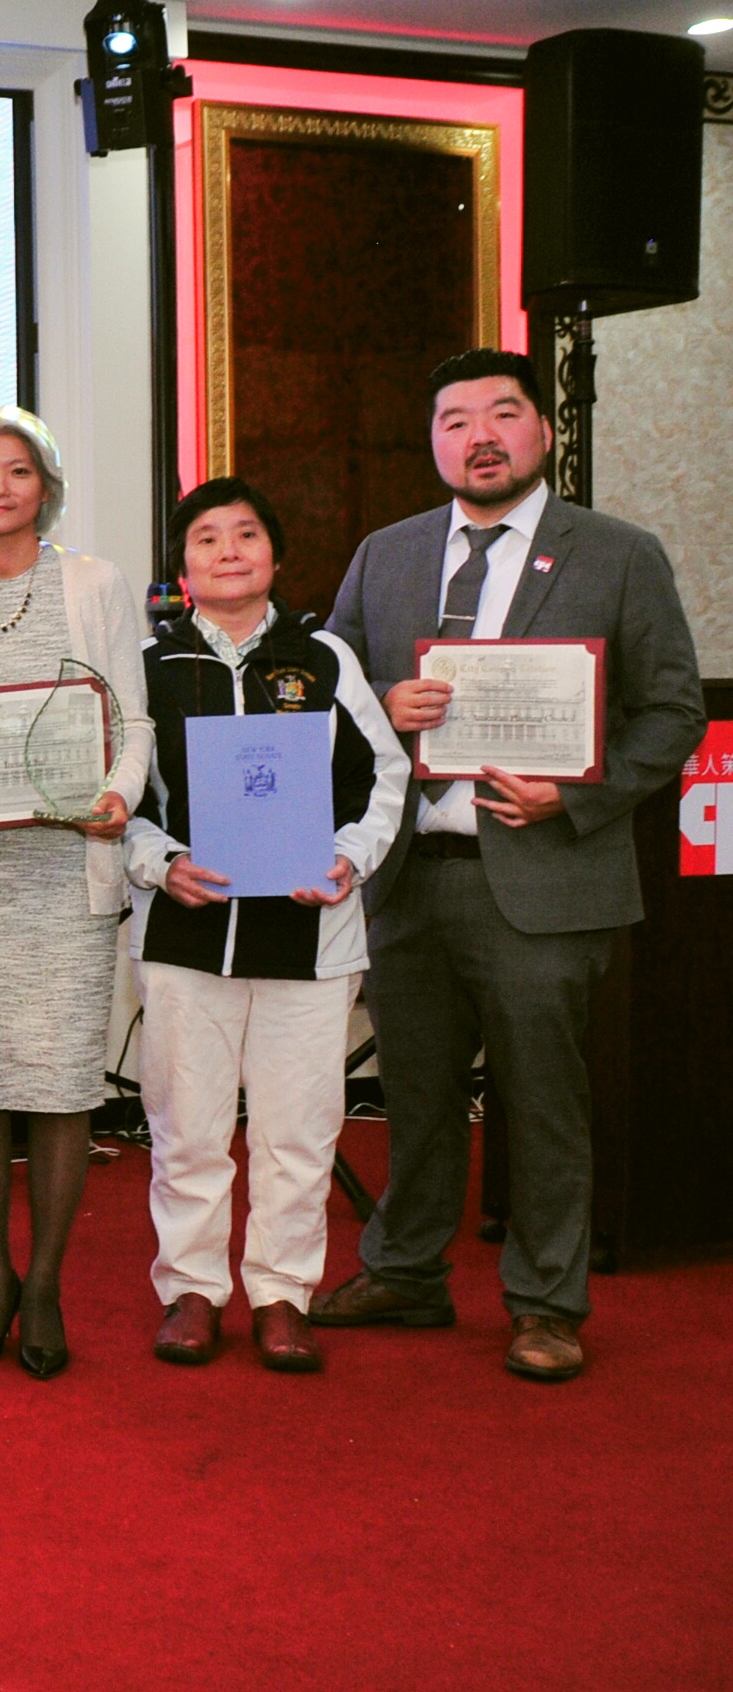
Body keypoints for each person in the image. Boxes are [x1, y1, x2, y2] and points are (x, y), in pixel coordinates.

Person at [314, 349, 703, 1381]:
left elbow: (673, 711)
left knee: (542, 1103)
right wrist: (380, 704)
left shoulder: (617, 554)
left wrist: (573, 796)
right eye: (455, 420)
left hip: (546, 874)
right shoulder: (386, 554)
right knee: (416, 1096)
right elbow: (321, 689)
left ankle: (546, 1304)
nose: (479, 436)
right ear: (432, 441)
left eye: (502, 414)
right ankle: (406, 1272)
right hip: (410, 873)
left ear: (542, 431)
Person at [123, 478, 406, 1374]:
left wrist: (348, 859)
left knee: (299, 1130)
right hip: (186, 935)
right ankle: (192, 1291)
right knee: (188, 1128)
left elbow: (384, 775)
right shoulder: (149, 665)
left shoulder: (323, 658)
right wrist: (160, 862)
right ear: (183, 566)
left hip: (309, 933)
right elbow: (121, 795)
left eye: (247, 534)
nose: (229, 552)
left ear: (276, 556)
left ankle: (283, 1294)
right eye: (207, 539)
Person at [0, 406, 152, 1379]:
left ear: (45, 488)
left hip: (66, 869)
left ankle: (44, 1285)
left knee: (58, 1084)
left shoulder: (93, 584)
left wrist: (118, 795)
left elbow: (132, 720)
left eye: (17, 471)